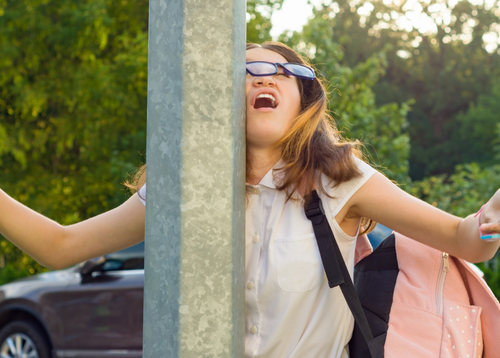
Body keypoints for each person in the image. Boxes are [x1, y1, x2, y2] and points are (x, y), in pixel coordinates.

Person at [0, 41, 499, 357]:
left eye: (281, 71)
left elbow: (462, 238)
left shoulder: (341, 182)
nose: (262, 75)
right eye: (245, 70)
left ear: (304, 102)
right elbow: (60, 247)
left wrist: (489, 220)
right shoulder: (181, 190)